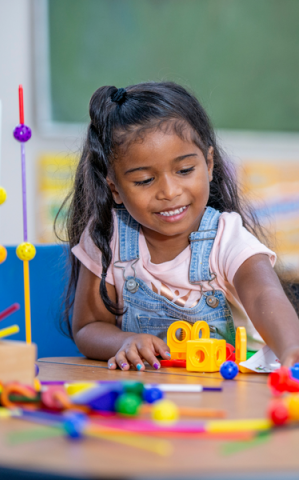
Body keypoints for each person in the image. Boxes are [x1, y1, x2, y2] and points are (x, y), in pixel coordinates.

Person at [58, 82, 299, 371]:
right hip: (156, 400)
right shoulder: (108, 237)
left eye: (185, 170)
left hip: (236, 392)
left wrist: (292, 348)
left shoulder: (227, 238)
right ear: (115, 189)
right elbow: (88, 326)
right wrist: (123, 341)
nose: (169, 191)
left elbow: (264, 295)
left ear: (209, 164)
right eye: (145, 180)